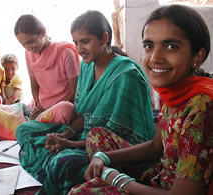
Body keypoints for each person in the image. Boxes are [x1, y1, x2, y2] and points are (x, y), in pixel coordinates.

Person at [69, 5, 213, 195]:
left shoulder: (200, 108)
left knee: (80, 191)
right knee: (96, 138)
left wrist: (117, 180)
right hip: (162, 172)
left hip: (172, 187)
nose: (155, 58)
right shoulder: (174, 93)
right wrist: (105, 157)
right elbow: (156, 147)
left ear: (198, 56)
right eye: (149, 46)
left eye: (171, 46)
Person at [15, 10, 155, 195]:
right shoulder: (87, 66)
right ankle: (59, 171)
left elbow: (115, 136)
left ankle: (62, 173)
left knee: (64, 162)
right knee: (24, 130)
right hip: (85, 135)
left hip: (112, 148)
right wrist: (65, 135)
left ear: (104, 38)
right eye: (76, 43)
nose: (79, 49)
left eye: (85, 41)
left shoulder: (126, 76)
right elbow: (85, 115)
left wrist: (70, 144)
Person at [14, 14, 80, 120]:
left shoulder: (65, 52)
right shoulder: (28, 53)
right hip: (43, 107)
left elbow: (75, 91)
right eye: (23, 45)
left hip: (63, 106)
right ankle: (42, 123)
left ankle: (42, 124)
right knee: (19, 126)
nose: (28, 47)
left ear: (43, 32)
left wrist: (49, 110)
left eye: (30, 42)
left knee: (65, 109)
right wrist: (38, 104)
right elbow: (34, 83)